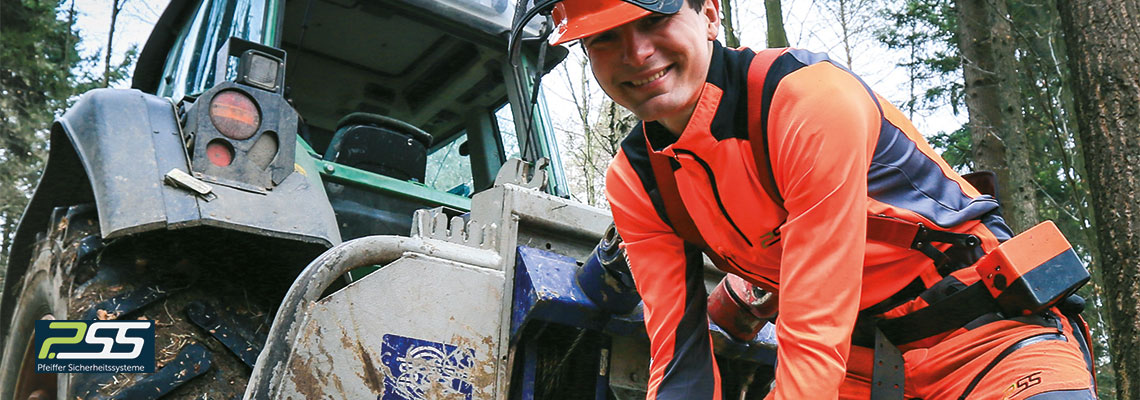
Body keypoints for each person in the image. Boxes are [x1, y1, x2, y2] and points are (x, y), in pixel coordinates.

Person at [545, 0, 1098, 398]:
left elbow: (812, 329)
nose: (636, 53)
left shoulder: (806, 99)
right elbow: (678, 357)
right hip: (856, 371)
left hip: (988, 343)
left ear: (710, 13)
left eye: (653, 18)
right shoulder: (636, 181)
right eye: (604, 37)